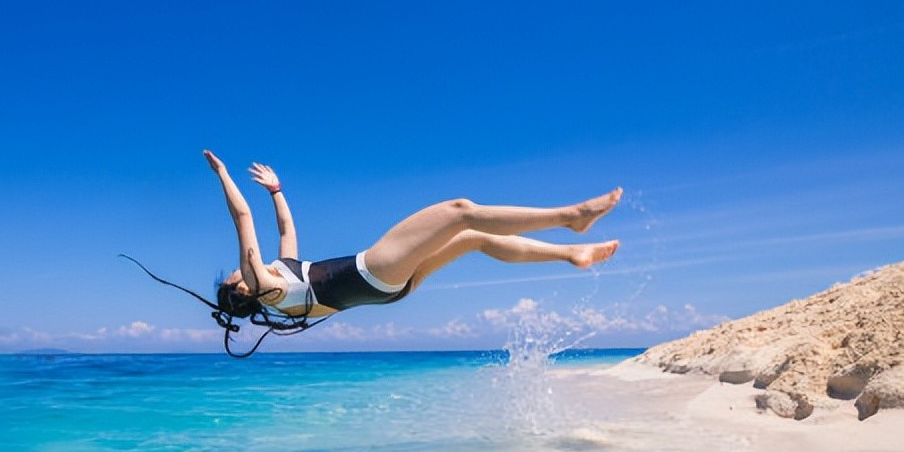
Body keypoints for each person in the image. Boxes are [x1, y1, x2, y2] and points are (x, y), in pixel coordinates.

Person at [123, 151, 622, 357]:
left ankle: (569, 256)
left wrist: (276, 190)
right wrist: (223, 176)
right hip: (371, 271)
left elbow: (284, 228)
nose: (236, 269)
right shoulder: (260, 284)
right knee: (461, 211)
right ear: (239, 290)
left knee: (474, 239)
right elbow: (242, 220)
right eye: (233, 275)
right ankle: (571, 216)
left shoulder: (279, 282)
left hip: (388, 291)